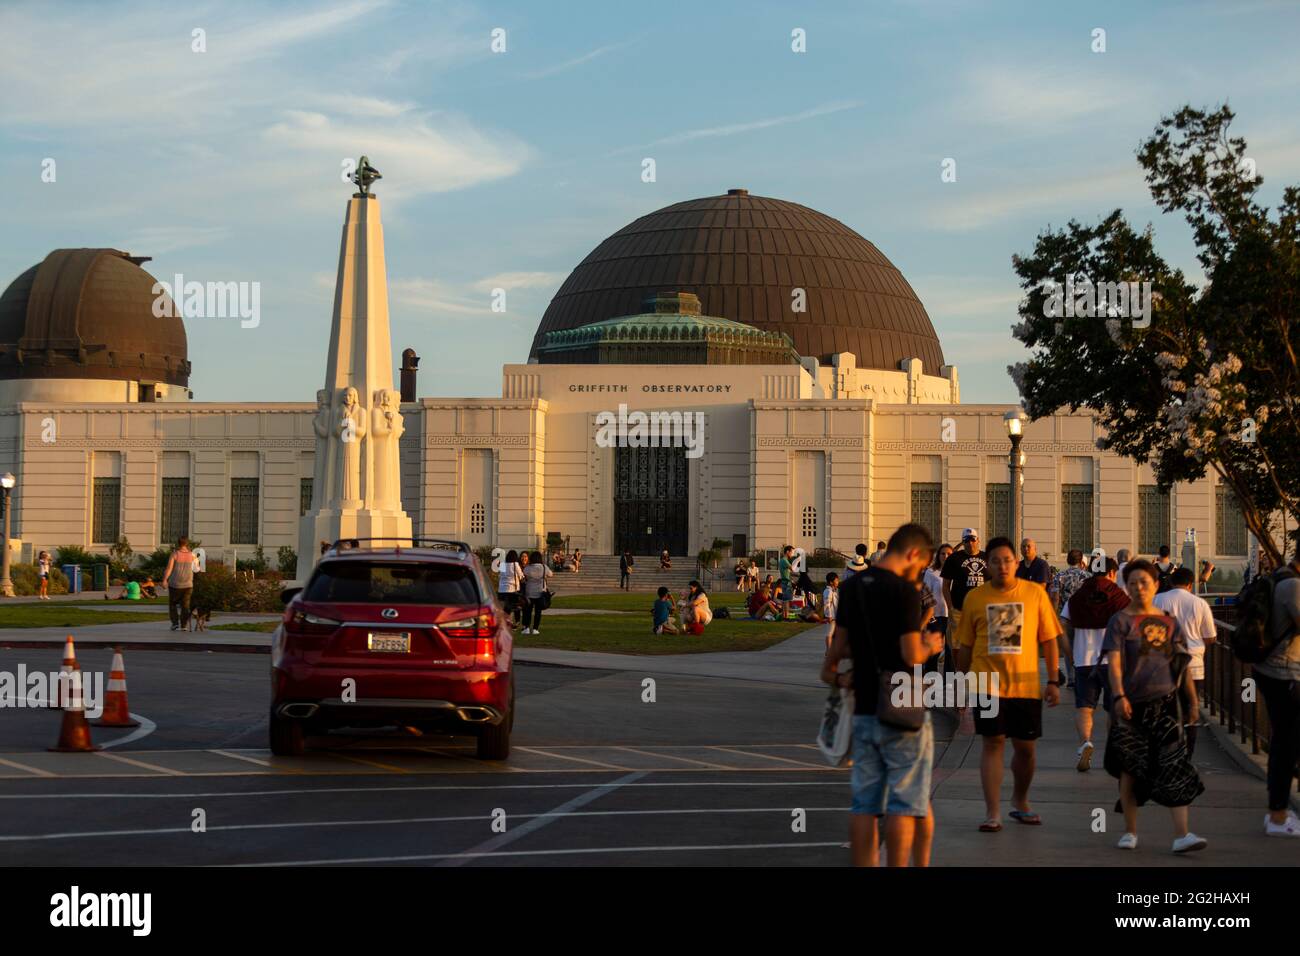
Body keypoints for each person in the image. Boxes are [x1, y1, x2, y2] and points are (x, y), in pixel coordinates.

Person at [821, 523, 943, 867]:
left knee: (864, 804)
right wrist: (929, 644)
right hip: (901, 705)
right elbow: (909, 654)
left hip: (863, 708)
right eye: (920, 566)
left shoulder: (854, 585)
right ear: (914, 554)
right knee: (904, 803)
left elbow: (836, 651)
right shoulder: (903, 590)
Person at [954, 536, 1061, 832]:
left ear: (1016, 563)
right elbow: (964, 646)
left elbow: (1049, 640)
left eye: (1007, 560)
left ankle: (1020, 800)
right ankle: (993, 812)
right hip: (986, 683)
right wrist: (960, 684)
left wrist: (1053, 680)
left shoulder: (1034, 594)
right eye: (996, 561)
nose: (1002, 566)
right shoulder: (975, 598)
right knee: (992, 743)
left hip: (1025, 685)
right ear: (987, 566)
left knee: (1025, 749)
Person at [1103, 559, 1206, 853]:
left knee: (1175, 765)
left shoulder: (1169, 621)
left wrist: (1192, 702)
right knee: (1130, 768)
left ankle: (1182, 834)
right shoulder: (1120, 621)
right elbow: (1115, 663)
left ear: (1156, 585)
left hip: (1167, 703)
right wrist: (1119, 696)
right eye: (1133, 582)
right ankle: (1130, 832)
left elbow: (1181, 665)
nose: (1138, 588)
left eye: (1144, 582)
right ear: (1126, 586)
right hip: (1131, 706)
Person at [1252, 544, 1300, 837]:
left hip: (1271, 670)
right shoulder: (1294, 586)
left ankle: (1279, 809)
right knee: (1287, 744)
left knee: (1285, 741)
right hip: (1285, 673)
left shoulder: (1279, 577)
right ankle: (1278, 815)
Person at [1065, 557, 1129, 771]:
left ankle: (1085, 743)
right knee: (1113, 710)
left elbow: (1062, 623)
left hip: (1083, 660)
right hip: (1112, 661)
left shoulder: (1078, 596)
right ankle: (1113, 750)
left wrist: (1069, 652)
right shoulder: (1120, 597)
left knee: (1084, 708)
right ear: (1112, 573)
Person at [1153, 566, 1217, 756]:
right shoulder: (1199, 603)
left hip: (1164, 663)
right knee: (1191, 708)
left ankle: (1168, 750)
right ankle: (1188, 753)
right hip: (1194, 663)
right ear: (1190, 584)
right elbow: (1210, 636)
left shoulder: (1158, 599)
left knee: (1165, 710)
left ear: (1171, 582)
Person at [941, 529, 986, 666]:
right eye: (966, 540)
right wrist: (951, 608)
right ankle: (959, 671)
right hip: (959, 609)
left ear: (978, 540)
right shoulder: (954, 559)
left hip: (981, 610)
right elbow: (945, 586)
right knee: (956, 645)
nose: (970, 543)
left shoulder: (987, 557)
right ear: (963, 542)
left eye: (973, 539)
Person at [1049, 549, 1090, 687]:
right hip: (1083, 617)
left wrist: (1054, 615)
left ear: (1067, 560)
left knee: (1068, 647)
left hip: (1064, 617)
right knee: (1081, 647)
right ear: (1081, 562)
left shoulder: (1059, 576)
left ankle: (1071, 678)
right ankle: (1081, 676)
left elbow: (1055, 597)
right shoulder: (1088, 576)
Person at [923, 546, 950, 671]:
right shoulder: (931, 572)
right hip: (936, 616)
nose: (946, 557)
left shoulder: (956, 572)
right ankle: (930, 678)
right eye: (943, 554)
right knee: (934, 650)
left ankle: (949, 680)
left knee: (950, 650)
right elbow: (925, 593)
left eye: (949, 554)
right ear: (938, 556)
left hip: (951, 616)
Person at [163, 537, 197, 632]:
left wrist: (165, 580)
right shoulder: (192, 555)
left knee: (173, 604)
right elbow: (197, 568)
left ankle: (175, 623)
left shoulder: (175, 554)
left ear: (178, 544)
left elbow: (169, 569)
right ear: (187, 544)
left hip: (175, 584)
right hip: (188, 584)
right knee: (185, 606)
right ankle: (184, 625)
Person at [521, 550, 552, 635]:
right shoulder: (544, 567)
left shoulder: (528, 568)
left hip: (529, 592)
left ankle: (526, 628)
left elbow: (524, 576)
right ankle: (535, 629)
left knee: (528, 611)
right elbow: (551, 574)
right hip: (540, 592)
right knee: (538, 612)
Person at [497, 549, 524, 628]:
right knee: (514, 606)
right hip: (512, 589)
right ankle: (513, 622)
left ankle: (505, 621)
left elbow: (500, 575)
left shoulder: (503, 564)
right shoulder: (515, 564)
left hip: (502, 589)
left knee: (505, 607)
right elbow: (521, 576)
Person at [822, 572, 840, 646]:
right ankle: (828, 651)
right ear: (831, 582)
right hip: (831, 617)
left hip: (835, 616)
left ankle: (831, 650)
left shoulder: (835, 590)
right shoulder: (828, 591)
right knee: (829, 634)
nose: (838, 582)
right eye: (836, 580)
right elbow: (827, 604)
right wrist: (828, 616)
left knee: (834, 634)